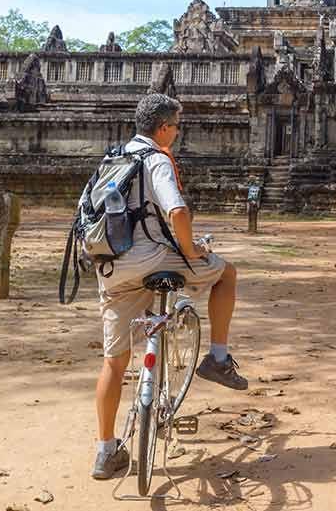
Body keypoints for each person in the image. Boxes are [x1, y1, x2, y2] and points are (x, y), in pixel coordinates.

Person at [92, 93, 247, 480]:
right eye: (176, 126)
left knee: (114, 361)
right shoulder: (156, 159)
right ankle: (218, 358)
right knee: (226, 274)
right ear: (163, 128)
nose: (177, 133)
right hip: (154, 257)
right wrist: (192, 249)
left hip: (111, 266)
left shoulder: (115, 156)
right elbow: (176, 210)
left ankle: (105, 451)